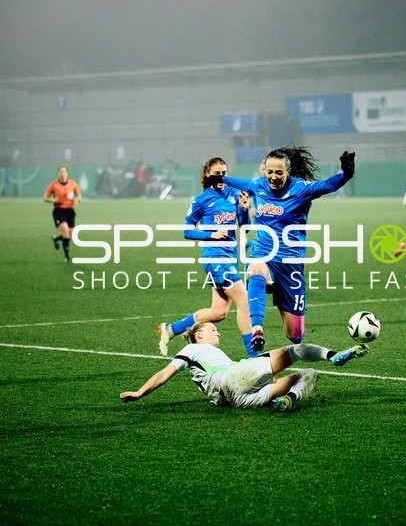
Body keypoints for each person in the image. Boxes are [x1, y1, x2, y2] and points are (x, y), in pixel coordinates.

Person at [206, 146, 355, 353]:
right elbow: (239, 182)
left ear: (288, 171)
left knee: (295, 335)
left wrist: (346, 174)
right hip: (263, 254)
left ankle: (279, 297)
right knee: (255, 267)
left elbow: (327, 185)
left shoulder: (301, 189)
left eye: (279, 172)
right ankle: (257, 330)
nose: (273, 177)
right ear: (264, 171)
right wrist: (220, 180)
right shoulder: (258, 186)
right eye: (269, 172)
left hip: (290, 264)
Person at [120, 321, 369, 410]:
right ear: (199, 335)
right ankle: (333, 356)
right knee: (296, 350)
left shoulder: (210, 354)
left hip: (237, 400)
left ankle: (289, 399)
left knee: (308, 373)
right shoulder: (192, 349)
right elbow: (167, 372)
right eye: (213, 330)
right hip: (232, 377)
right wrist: (141, 392)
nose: (218, 334)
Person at [157, 156, 256, 358]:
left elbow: (245, 228)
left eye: (224, 173)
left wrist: (244, 210)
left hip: (229, 258)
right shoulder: (200, 200)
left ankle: (170, 329)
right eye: (217, 173)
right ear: (207, 174)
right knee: (244, 300)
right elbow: (187, 231)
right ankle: (255, 356)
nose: (221, 177)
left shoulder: (235, 194)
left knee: (219, 312)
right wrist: (210, 234)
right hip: (214, 258)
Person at [43, 166, 82, 263]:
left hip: (70, 211)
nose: (62, 174)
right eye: (60, 172)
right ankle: (67, 258)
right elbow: (45, 197)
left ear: (67, 173)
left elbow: (79, 194)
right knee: (65, 231)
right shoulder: (53, 185)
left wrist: (77, 199)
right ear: (58, 174)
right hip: (59, 211)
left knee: (70, 236)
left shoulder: (73, 184)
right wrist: (53, 199)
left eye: (64, 172)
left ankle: (56, 239)